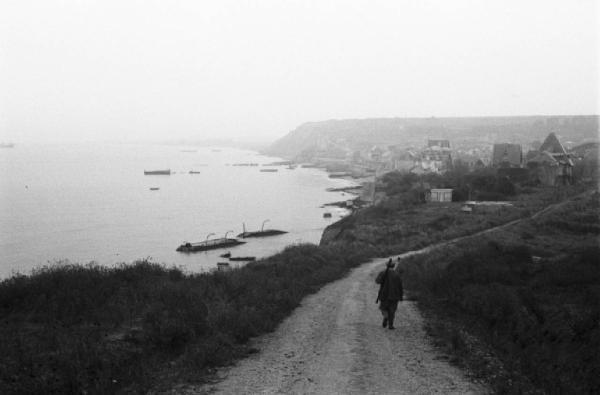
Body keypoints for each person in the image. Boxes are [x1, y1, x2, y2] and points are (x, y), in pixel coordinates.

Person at [375, 258, 404, 329]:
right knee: (392, 310)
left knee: (383, 308)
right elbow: (400, 286)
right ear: (393, 266)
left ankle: (386, 317)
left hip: (384, 295)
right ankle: (390, 325)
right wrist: (401, 296)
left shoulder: (383, 272)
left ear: (387, 266)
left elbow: (377, 281)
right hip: (394, 295)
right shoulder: (397, 274)